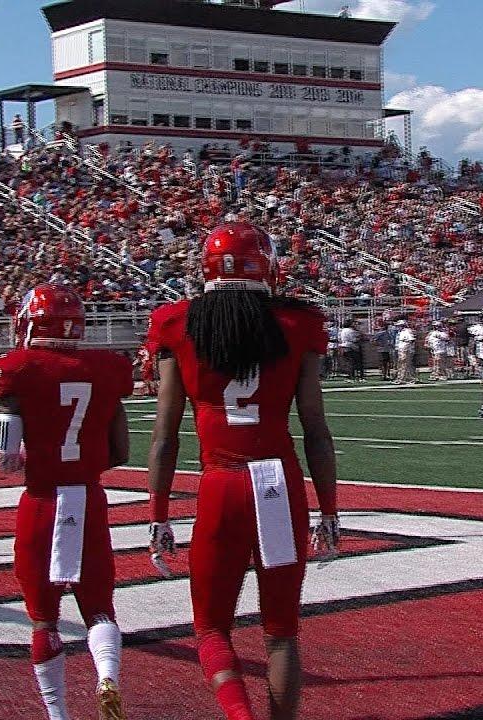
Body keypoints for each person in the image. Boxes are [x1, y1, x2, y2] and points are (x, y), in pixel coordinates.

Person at [146, 222, 339, 720]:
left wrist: (158, 513)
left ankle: (239, 714)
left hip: (222, 485)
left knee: (211, 629)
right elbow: (316, 431)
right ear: (267, 266)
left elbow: (165, 438)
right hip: (278, 484)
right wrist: (330, 511)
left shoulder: (178, 323)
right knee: (281, 632)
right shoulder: (298, 324)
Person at [0, 284, 133, 720]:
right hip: (88, 497)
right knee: (100, 608)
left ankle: (58, 714)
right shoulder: (107, 369)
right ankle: (107, 676)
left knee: (44, 620)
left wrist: (40, 453)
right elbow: (121, 451)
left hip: (43, 501)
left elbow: (6, 460)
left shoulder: (19, 370)